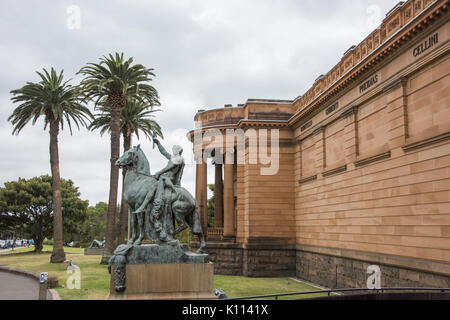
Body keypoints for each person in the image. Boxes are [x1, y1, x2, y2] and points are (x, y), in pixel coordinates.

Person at [133, 139, 185, 240]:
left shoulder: (179, 159)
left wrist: (158, 172)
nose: (173, 150)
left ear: (178, 150)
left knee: (153, 188)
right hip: (163, 177)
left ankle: (151, 207)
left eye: (175, 149)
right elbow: (163, 152)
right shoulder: (173, 157)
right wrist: (157, 143)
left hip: (168, 179)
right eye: (173, 149)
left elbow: (169, 167)